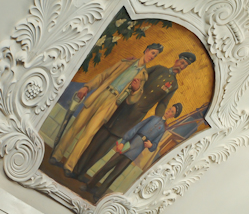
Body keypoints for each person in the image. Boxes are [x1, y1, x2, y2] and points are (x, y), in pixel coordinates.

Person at [73, 51, 197, 181]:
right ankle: (77, 169)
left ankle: (82, 173)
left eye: (185, 66)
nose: (182, 67)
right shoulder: (159, 69)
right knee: (99, 137)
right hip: (124, 106)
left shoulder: (174, 85)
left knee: (107, 145)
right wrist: (132, 63)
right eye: (182, 63)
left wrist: (160, 121)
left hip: (135, 116)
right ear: (177, 60)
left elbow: (162, 104)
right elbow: (140, 74)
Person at [52, 43, 162, 173]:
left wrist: (135, 90)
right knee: (75, 126)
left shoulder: (143, 76)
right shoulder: (125, 63)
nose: (153, 57)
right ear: (147, 50)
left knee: (88, 134)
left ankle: (69, 166)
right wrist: (87, 87)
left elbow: (132, 100)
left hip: (112, 103)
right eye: (153, 53)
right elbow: (104, 75)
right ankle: (56, 156)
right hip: (100, 94)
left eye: (156, 55)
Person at [81, 102, 183, 202]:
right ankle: (89, 185)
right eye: (169, 109)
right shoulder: (153, 118)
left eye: (171, 112)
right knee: (107, 166)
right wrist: (123, 142)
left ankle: (98, 194)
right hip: (128, 144)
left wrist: (151, 145)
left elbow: (155, 145)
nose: (168, 111)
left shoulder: (162, 130)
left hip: (135, 152)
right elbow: (136, 128)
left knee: (115, 174)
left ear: (173, 116)